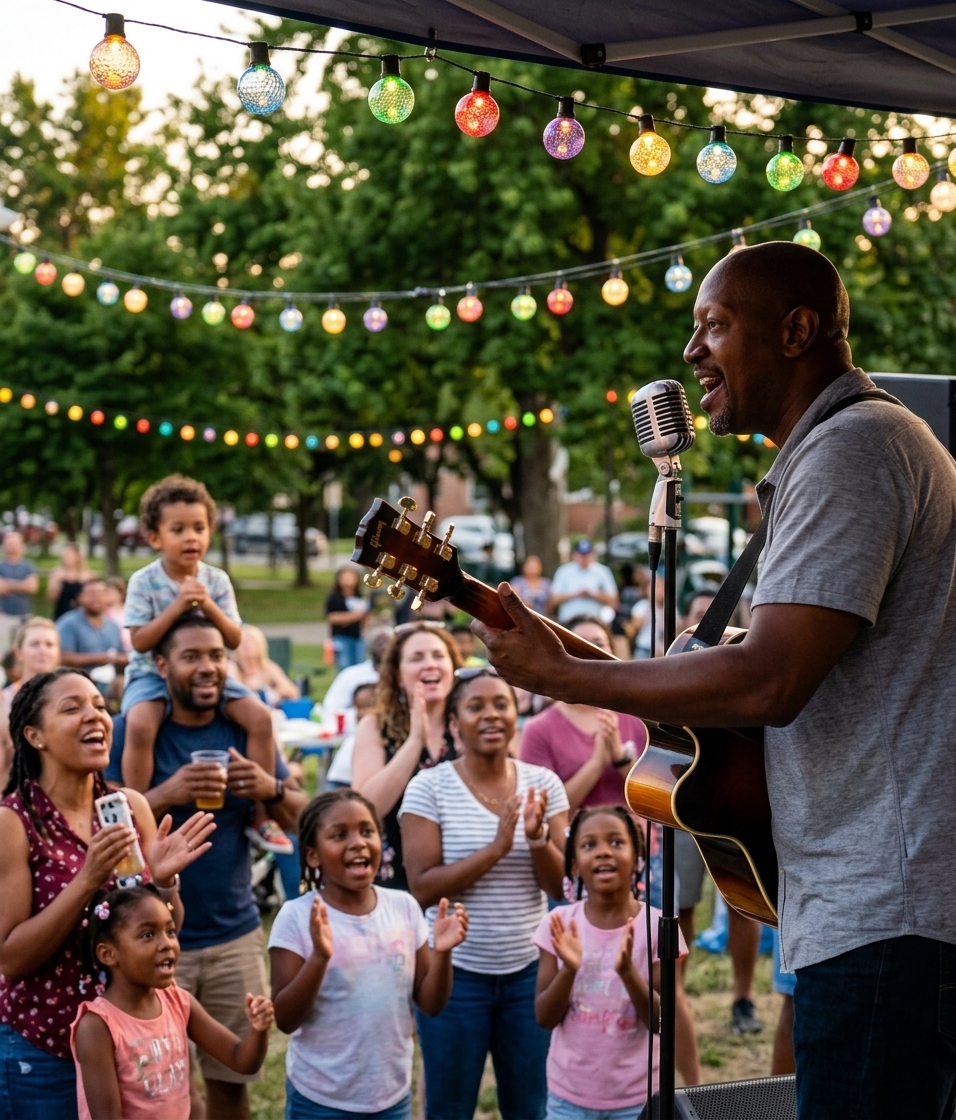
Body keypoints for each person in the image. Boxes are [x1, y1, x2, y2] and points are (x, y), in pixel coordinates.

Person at [475, 241, 956, 1119]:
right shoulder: (853, 446)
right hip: (883, 902)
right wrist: (561, 653)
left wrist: (569, 678)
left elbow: (769, 682)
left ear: (798, 330)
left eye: (715, 326)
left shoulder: (852, 452)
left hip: (888, 906)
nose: (692, 352)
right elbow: (751, 666)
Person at [108, 615, 309, 1120]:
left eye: (217, 656)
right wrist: (165, 793)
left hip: (231, 937)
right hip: (143, 942)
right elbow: (100, 826)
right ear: (160, 664)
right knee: (163, 1095)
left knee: (230, 1087)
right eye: (191, 656)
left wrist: (270, 788)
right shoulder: (131, 730)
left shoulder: (244, 727)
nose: (208, 668)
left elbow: (310, 818)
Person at [0, 667, 215, 1120]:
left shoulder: (129, 807)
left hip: (135, 1041)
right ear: (34, 735)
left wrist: (165, 883)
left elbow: (164, 927)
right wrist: (86, 878)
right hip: (48, 1049)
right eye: (72, 708)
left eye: (100, 705)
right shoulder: (13, 823)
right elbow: (11, 958)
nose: (94, 716)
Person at [399, 668, 570, 1120]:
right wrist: (496, 848)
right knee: (450, 1108)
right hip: (455, 976)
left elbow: (560, 887)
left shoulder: (544, 784)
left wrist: (536, 841)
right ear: (454, 724)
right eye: (476, 707)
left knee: (530, 1107)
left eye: (501, 704)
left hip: (530, 974)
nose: (491, 715)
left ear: (517, 716)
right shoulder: (428, 787)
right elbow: (422, 885)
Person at [269, 790, 469, 1120]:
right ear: (313, 856)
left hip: (391, 1097)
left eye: (367, 831)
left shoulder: (404, 907)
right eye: (339, 834)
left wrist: (443, 954)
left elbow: (431, 1004)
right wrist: (319, 958)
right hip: (320, 1099)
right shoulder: (296, 917)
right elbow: (285, 1019)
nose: (358, 842)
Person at [119, 474, 289, 855]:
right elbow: (140, 641)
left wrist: (206, 604)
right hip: (150, 675)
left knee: (260, 717)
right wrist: (178, 606)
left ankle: (261, 815)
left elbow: (232, 639)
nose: (191, 537)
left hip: (209, 675)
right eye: (177, 529)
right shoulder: (145, 581)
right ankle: (142, 808)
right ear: (154, 537)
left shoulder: (216, 580)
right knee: (141, 722)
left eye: (199, 527)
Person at [534, 806, 688, 1119]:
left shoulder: (659, 927)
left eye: (616, 842)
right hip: (569, 1099)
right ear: (574, 864)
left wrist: (629, 973)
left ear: (637, 858)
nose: (604, 852)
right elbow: (544, 1018)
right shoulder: (559, 925)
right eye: (589, 845)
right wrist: (570, 971)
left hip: (638, 1100)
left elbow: (663, 1021)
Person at [72, 884, 275, 1120]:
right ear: (108, 954)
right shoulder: (98, 1027)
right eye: (148, 935)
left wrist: (258, 1030)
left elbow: (241, 1061)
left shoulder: (178, 1001)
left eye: (170, 932)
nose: (167, 943)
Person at [676, 590, 764, 1036]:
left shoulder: (756, 671)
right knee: (682, 903)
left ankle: (744, 998)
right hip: (683, 797)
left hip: (737, 799)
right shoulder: (671, 671)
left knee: (742, 901)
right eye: (701, 618)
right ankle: (676, 996)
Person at [352, 622, 463, 890]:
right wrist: (414, 742)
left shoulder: (469, 725)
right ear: (398, 676)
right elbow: (365, 809)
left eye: (439, 656)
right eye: (417, 658)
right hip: (395, 879)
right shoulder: (377, 726)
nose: (430, 664)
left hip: (465, 871)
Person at [520, 618, 645, 813]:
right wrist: (596, 764)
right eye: (578, 643)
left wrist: (620, 758)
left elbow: (656, 800)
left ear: (611, 652)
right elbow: (540, 814)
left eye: (598, 644)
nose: (588, 651)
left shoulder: (639, 717)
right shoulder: (538, 729)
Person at [0, 617, 60, 791]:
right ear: (19, 652)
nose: (43, 650)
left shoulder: (72, 699)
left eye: (49, 644)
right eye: (35, 644)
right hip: (14, 797)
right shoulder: (4, 701)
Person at [56, 577, 127, 696]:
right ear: (80, 597)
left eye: (101, 593)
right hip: (77, 684)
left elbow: (122, 655)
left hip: (111, 685)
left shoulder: (113, 626)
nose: (96, 598)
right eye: (91, 594)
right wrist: (104, 658)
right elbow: (63, 657)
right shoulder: (67, 624)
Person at [321, 626, 392, 730]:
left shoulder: (406, 675)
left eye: (388, 644)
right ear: (369, 647)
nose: (384, 648)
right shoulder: (351, 675)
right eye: (379, 643)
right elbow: (329, 709)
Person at [548, 540, 618, 625]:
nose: (584, 558)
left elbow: (614, 599)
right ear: (574, 555)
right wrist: (575, 594)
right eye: (581, 555)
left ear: (593, 555)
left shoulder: (602, 571)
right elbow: (554, 599)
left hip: (595, 621)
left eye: (587, 554)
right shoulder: (564, 571)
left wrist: (594, 594)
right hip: (568, 620)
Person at [326, 681, 378, 789]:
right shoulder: (352, 739)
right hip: (341, 784)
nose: (361, 713)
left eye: (368, 707)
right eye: (358, 708)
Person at [233, 624, 300, 707]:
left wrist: (272, 693)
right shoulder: (233, 667)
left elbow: (293, 692)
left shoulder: (269, 668)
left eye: (250, 641)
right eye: (243, 642)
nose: (246, 645)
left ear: (260, 644)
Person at [325, 567, 369, 670]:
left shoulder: (360, 596)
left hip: (358, 637)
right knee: (345, 667)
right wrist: (353, 616)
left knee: (359, 667)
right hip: (341, 637)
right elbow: (331, 617)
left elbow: (365, 616)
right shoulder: (335, 597)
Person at [0, 531, 39, 634]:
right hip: (3, 616)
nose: (12, 547)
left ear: (21, 546)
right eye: (10, 544)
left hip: (24, 616)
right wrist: (22, 585)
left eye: (15, 544)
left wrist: (7, 584)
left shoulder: (29, 566)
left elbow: (32, 587)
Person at [46, 542, 95, 621]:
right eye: (65, 555)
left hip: (83, 615)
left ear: (77, 556)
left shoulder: (88, 575)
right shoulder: (57, 573)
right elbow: (51, 597)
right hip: (62, 612)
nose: (66, 557)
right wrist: (55, 584)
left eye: (69, 555)